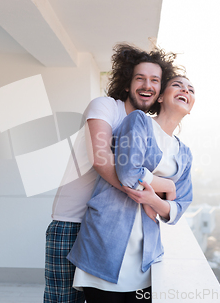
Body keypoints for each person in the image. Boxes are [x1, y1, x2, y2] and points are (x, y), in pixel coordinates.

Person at [44, 43, 178, 303]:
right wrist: (143, 191)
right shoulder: (105, 107)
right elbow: (101, 159)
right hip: (72, 221)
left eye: (154, 80)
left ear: (160, 90)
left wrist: (155, 193)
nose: (147, 85)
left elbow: (156, 177)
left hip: (108, 230)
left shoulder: (146, 127)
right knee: (61, 301)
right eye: (140, 78)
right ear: (127, 84)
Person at [67, 74, 196, 303]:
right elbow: (127, 172)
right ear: (160, 98)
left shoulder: (184, 153)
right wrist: (166, 186)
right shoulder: (138, 122)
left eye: (190, 89)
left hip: (146, 258)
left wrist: (154, 201)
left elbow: (179, 207)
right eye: (177, 85)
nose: (185, 90)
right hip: (105, 246)